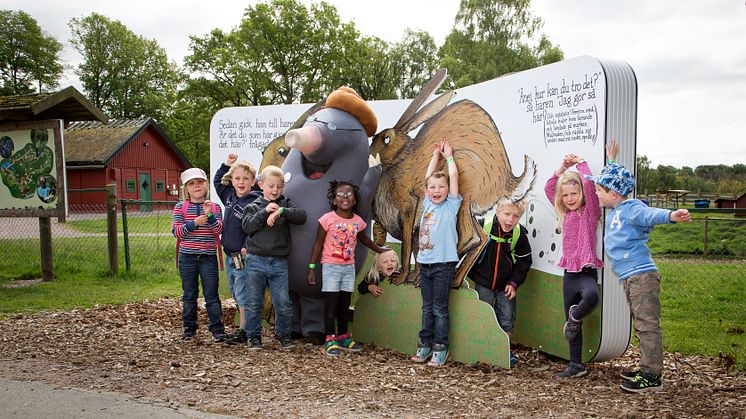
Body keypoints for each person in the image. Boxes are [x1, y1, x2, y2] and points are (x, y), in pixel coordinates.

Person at [586, 147, 691, 393]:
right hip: (631, 277)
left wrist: (672, 215)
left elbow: (649, 214)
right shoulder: (616, 208)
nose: (596, 194)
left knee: (647, 324)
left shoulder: (631, 208)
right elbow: (612, 179)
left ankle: (652, 376)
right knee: (641, 323)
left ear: (612, 193)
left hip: (641, 276)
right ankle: (647, 367)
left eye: (599, 191)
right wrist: (611, 160)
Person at [545, 147, 608, 378]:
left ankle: (575, 316)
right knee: (572, 326)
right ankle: (576, 364)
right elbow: (549, 188)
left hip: (586, 274)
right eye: (565, 195)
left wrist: (580, 163)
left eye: (574, 194)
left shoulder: (590, 212)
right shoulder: (565, 214)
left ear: (581, 194)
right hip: (569, 276)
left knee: (591, 297)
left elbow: (590, 187)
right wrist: (562, 168)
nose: (570, 199)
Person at [307, 180, 389, 357]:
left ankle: (343, 336)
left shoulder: (358, 222)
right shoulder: (327, 219)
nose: (345, 197)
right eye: (340, 195)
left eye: (349, 194)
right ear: (334, 200)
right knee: (331, 304)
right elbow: (318, 244)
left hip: (348, 268)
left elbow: (365, 240)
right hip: (330, 267)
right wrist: (312, 267)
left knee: (344, 303)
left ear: (355, 201)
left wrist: (380, 250)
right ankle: (330, 338)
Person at [242, 165, 306, 350]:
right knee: (254, 302)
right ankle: (253, 336)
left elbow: (302, 217)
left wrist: (281, 212)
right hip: (255, 261)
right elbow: (248, 227)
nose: (275, 190)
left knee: (283, 303)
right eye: (271, 186)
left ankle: (283, 334)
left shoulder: (285, 204)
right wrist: (265, 212)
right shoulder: (253, 206)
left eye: (279, 186)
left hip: (279, 262)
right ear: (261, 185)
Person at [410, 139, 461, 367]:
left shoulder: (450, 205)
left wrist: (448, 157)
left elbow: (454, 177)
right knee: (426, 308)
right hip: (425, 263)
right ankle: (424, 345)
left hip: (443, 265)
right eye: (432, 188)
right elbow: (427, 177)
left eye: (441, 187)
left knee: (439, 309)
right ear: (426, 191)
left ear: (448, 190)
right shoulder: (428, 205)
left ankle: (441, 347)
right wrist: (434, 156)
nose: (436, 191)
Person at [467, 197, 532, 368]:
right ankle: (481, 348)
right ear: (497, 211)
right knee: (484, 315)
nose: (510, 219)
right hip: (483, 282)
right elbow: (468, 249)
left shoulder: (519, 234)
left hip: (506, 286)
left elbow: (524, 262)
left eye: (516, 216)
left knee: (506, 318)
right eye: (507, 214)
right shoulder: (483, 226)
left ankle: (504, 350)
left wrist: (514, 282)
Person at [172, 168, 226, 342]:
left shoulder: (215, 207)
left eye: (200, 182)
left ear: (206, 185)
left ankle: (217, 329)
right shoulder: (180, 207)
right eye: (192, 184)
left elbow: (218, 230)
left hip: (208, 257)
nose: (197, 186)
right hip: (187, 257)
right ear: (186, 189)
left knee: (211, 295)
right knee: (189, 294)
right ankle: (189, 327)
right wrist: (194, 223)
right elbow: (177, 232)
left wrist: (209, 215)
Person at [214, 154, 262, 345]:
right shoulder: (229, 197)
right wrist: (227, 164)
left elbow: (256, 228)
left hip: (243, 256)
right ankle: (245, 327)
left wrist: (247, 247)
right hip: (230, 255)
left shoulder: (255, 201)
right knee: (235, 290)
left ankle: (245, 330)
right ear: (232, 181)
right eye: (237, 178)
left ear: (253, 181)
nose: (241, 182)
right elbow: (218, 181)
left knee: (243, 292)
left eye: (246, 179)